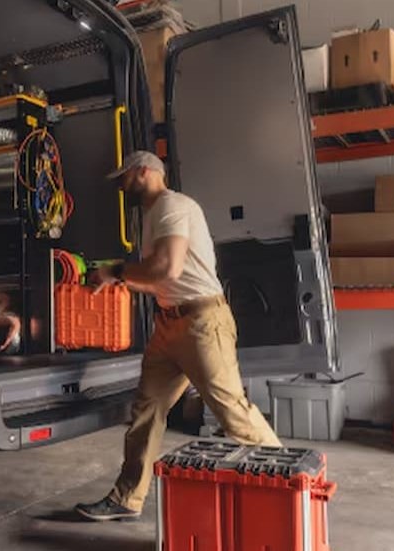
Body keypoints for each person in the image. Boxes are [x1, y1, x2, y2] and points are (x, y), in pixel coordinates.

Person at [75, 151, 282, 522]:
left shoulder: (172, 205)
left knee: (230, 410)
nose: (121, 184)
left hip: (201, 323)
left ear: (145, 172)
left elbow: (166, 267)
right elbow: (160, 278)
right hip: (170, 325)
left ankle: (288, 482)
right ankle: (127, 497)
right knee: (146, 411)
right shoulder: (153, 216)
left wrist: (115, 271)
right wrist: (114, 279)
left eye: (125, 177)